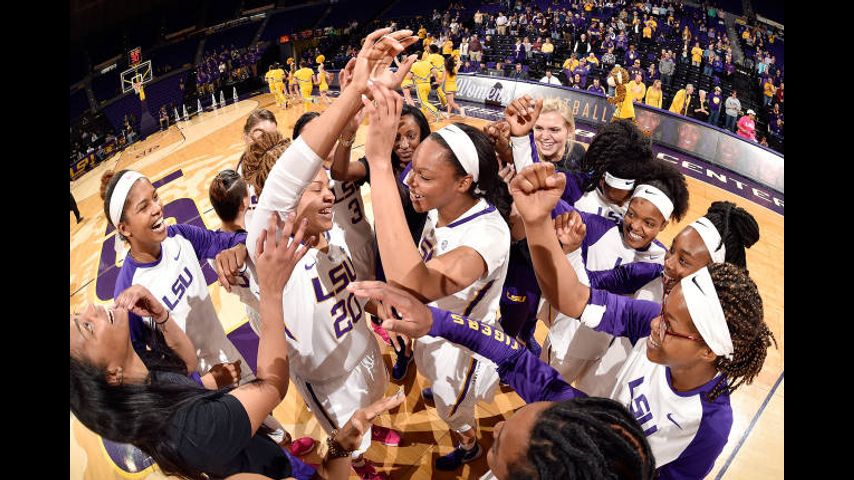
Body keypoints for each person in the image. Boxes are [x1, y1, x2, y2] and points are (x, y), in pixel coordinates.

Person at [71, 210, 405, 480]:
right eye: (86, 326)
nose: (91, 308)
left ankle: (285, 443)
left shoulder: (146, 380)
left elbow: (185, 365)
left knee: (275, 434)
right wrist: (271, 292)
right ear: (112, 375)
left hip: (259, 446)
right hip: (267, 461)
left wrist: (161, 315)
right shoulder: (199, 430)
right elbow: (272, 384)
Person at [496, 161, 775, 478]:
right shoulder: (648, 292)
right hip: (602, 377)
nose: (669, 264)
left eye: (684, 260)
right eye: (672, 251)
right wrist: (538, 221)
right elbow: (577, 293)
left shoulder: (707, 417)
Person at [242, 28, 419, 479]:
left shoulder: (327, 234)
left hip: (362, 349)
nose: (327, 197)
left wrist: (378, 308)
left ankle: (368, 445)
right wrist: (355, 91)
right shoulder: (268, 244)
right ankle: (358, 464)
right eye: (315, 189)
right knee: (347, 447)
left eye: (327, 187)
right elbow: (286, 178)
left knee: (370, 416)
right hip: (329, 379)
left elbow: (352, 291)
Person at [345, 282, 657, 480]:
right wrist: (434, 320)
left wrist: (335, 453)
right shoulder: (571, 422)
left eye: (498, 446)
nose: (495, 427)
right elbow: (513, 357)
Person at [360, 81, 512, 471]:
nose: (410, 180)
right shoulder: (443, 205)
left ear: (464, 183)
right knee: (433, 379)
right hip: (431, 332)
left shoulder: (487, 235)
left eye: (424, 177)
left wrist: (379, 162)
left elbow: (418, 286)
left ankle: (470, 446)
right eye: (412, 170)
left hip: (462, 347)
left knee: (453, 410)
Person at [410, 52, 442, 122]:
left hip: (420, 85)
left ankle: (436, 112)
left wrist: (413, 80)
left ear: (416, 57)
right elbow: (435, 72)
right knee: (425, 101)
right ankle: (424, 117)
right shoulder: (427, 63)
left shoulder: (414, 65)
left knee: (423, 102)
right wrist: (432, 77)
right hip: (427, 84)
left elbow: (409, 76)